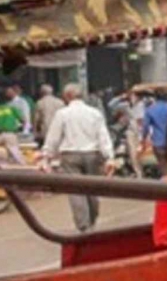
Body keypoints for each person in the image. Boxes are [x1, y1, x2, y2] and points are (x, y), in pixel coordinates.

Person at [42, 83, 115, 231]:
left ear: (67, 97)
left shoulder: (62, 114)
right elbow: (103, 136)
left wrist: (46, 156)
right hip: (93, 155)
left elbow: (53, 138)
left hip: (70, 156)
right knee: (93, 188)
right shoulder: (94, 113)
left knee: (76, 191)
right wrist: (110, 157)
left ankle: (83, 225)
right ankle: (92, 219)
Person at [141, 89, 167, 174]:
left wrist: (143, 140)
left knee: (162, 164)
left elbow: (145, 127)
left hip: (158, 142)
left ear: (155, 98)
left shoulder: (150, 109)